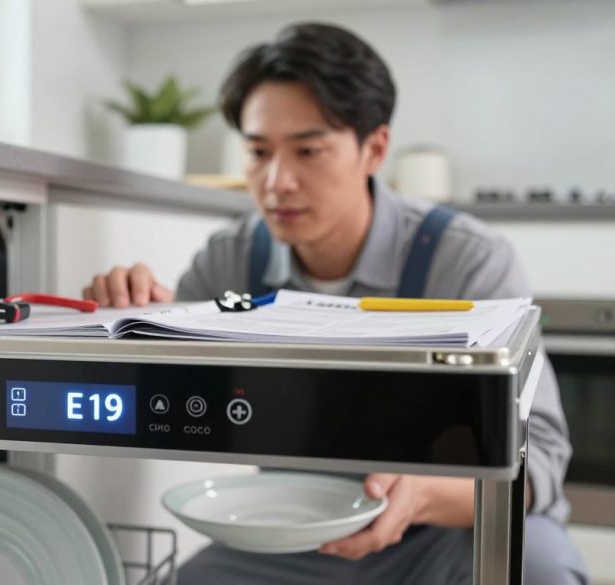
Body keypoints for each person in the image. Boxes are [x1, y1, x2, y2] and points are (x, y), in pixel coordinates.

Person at [83, 23, 587, 585]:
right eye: (257, 152)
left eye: (308, 150)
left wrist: (418, 497)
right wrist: (136, 317)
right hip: (289, 538)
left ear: (375, 147)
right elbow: (165, 398)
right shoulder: (232, 260)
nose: (276, 182)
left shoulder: (465, 261)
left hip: (447, 532)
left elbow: (538, 457)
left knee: (538, 571)